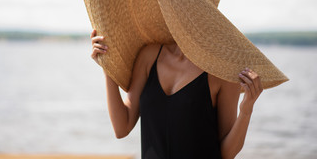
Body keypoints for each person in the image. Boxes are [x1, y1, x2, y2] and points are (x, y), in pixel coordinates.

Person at [90, 29, 263, 159]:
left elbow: (226, 154)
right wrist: (108, 67)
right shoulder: (149, 56)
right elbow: (122, 128)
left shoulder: (221, 73)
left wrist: (246, 111)